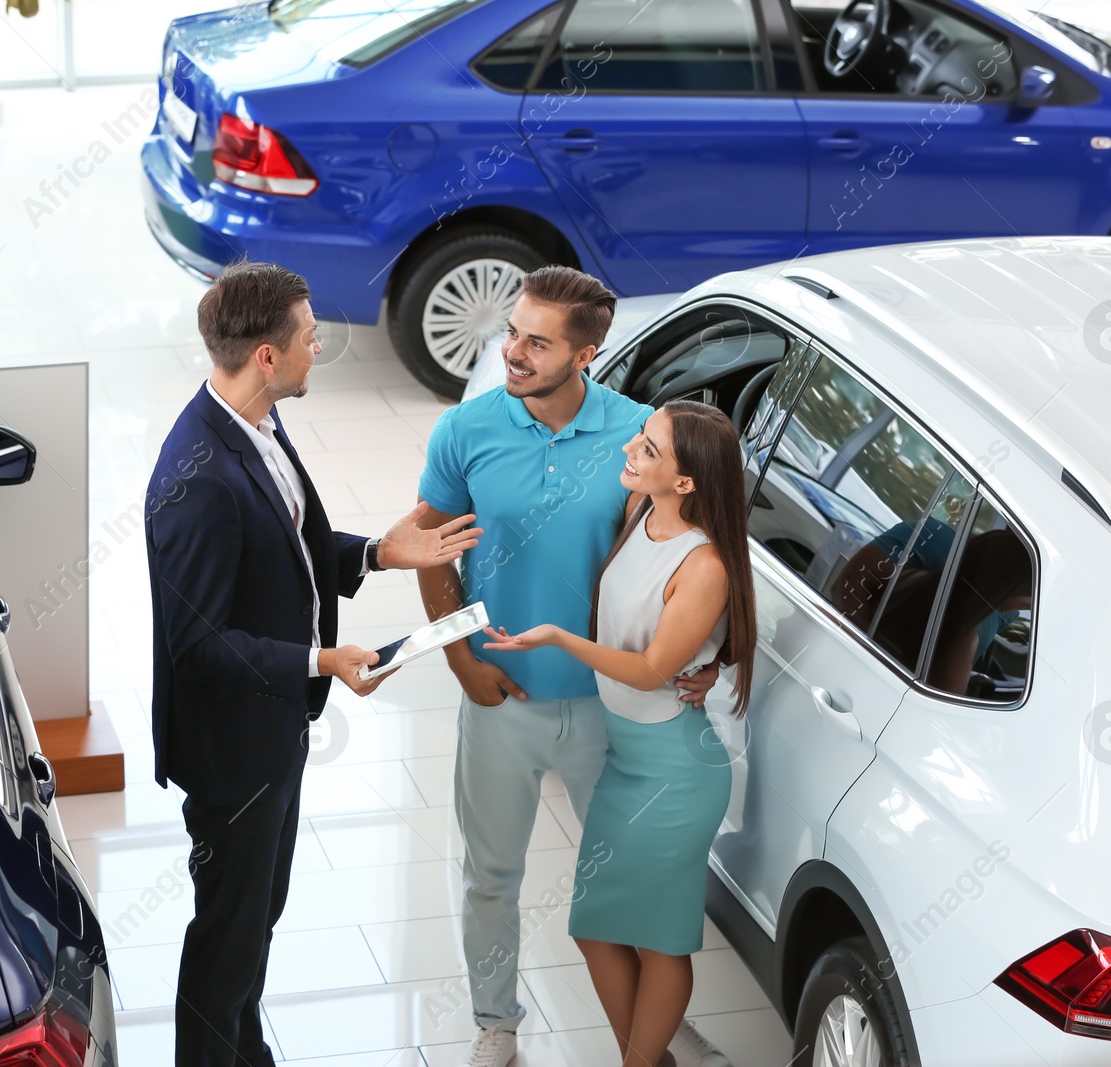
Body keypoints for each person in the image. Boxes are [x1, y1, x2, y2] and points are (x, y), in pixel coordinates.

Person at [145, 261, 482, 1067]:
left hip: (273, 732)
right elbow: (199, 645)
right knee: (228, 931)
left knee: (259, 914)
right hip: (233, 754)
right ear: (266, 356)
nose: (318, 346)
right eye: (308, 336)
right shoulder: (199, 481)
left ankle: (244, 1051)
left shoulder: (256, 423)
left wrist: (378, 551)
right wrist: (321, 659)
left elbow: (285, 551)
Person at [414, 267, 723, 1067]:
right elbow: (427, 548)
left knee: (633, 878)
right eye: (512, 333)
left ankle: (654, 1025)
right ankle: (495, 1022)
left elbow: (690, 553)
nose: (512, 352)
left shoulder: (636, 437)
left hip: (610, 709)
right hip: (499, 697)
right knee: (491, 872)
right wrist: (459, 660)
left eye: (537, 342)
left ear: (587, 352)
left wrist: (710, 657)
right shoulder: (466, 429)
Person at [482, 401, 757, 1067]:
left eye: (651, 448)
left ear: (686, 482)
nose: (631, 449)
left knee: (662, 940)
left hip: (674, 775)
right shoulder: (640, 513)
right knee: (597, 928)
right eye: (641, 436)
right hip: (627, 760)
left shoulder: (706, 566)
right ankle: (650, 1058)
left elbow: (653, 668)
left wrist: (557, 638)